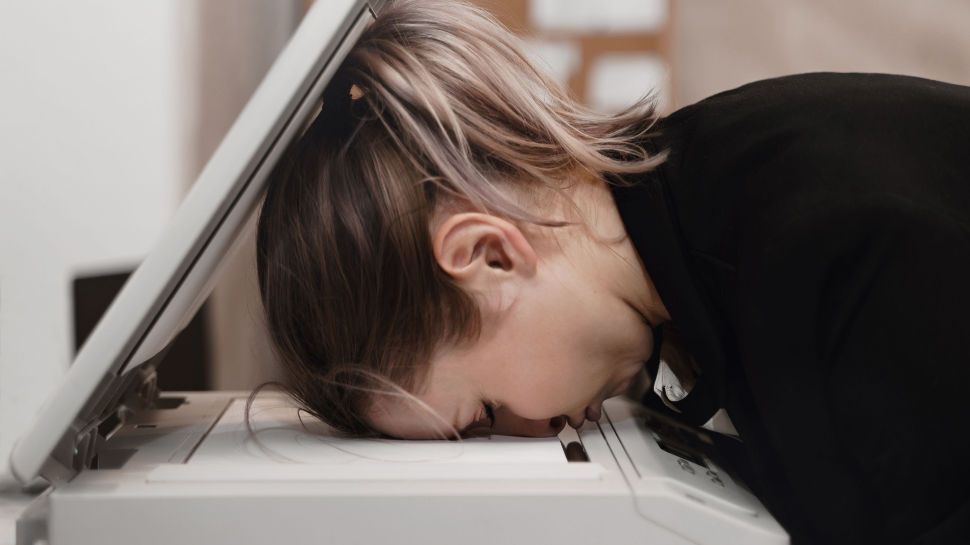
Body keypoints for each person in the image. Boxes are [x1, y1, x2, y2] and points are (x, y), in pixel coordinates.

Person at [254, 1, 970, 543]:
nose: (528, 435)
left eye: (484, 416)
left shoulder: (829, 242)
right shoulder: (685, 274)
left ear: (490, 255)